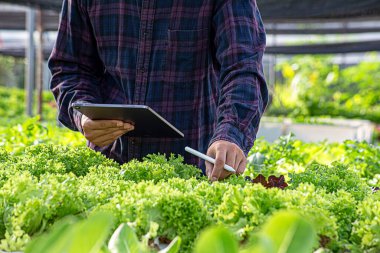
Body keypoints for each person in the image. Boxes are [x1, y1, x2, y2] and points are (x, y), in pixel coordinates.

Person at [49, 0, 268, 181]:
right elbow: (70, 68)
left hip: (192, 171)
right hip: (108, 170)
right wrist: (83, 114)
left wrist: (230, 134)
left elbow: (243, 68)